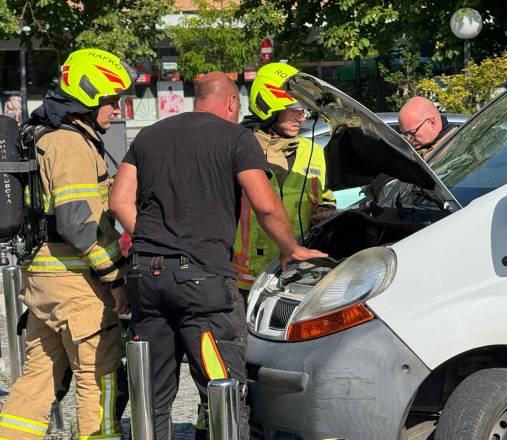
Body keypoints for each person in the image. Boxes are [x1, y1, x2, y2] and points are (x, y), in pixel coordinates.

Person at [109, 71, 327, 439]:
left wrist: (151, 238)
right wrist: (292, 249)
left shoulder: (149, 135)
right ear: (230, 103)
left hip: (146, 278)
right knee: (224, 385)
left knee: (152, 393)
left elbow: (118, 201)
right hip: (202, 284)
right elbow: (266, 205)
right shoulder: (236, 138)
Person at [0, 48, 134, 440]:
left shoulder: (43, 133)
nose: (117, 110)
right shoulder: (71, 143)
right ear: (88, 98)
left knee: (37, 379)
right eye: (111, 101)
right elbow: (79, 224)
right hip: (77, 288)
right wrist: (116, 278)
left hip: (44, 283)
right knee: (100, 376)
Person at [233, 62, 336, 294]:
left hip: (295, 273)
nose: (302, 118)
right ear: (269, 107)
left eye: (304, 111)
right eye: (295, 109)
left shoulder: (314, 152)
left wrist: (326, 209)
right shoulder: (238, 150)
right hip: (245, 279)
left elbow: (326, 196)